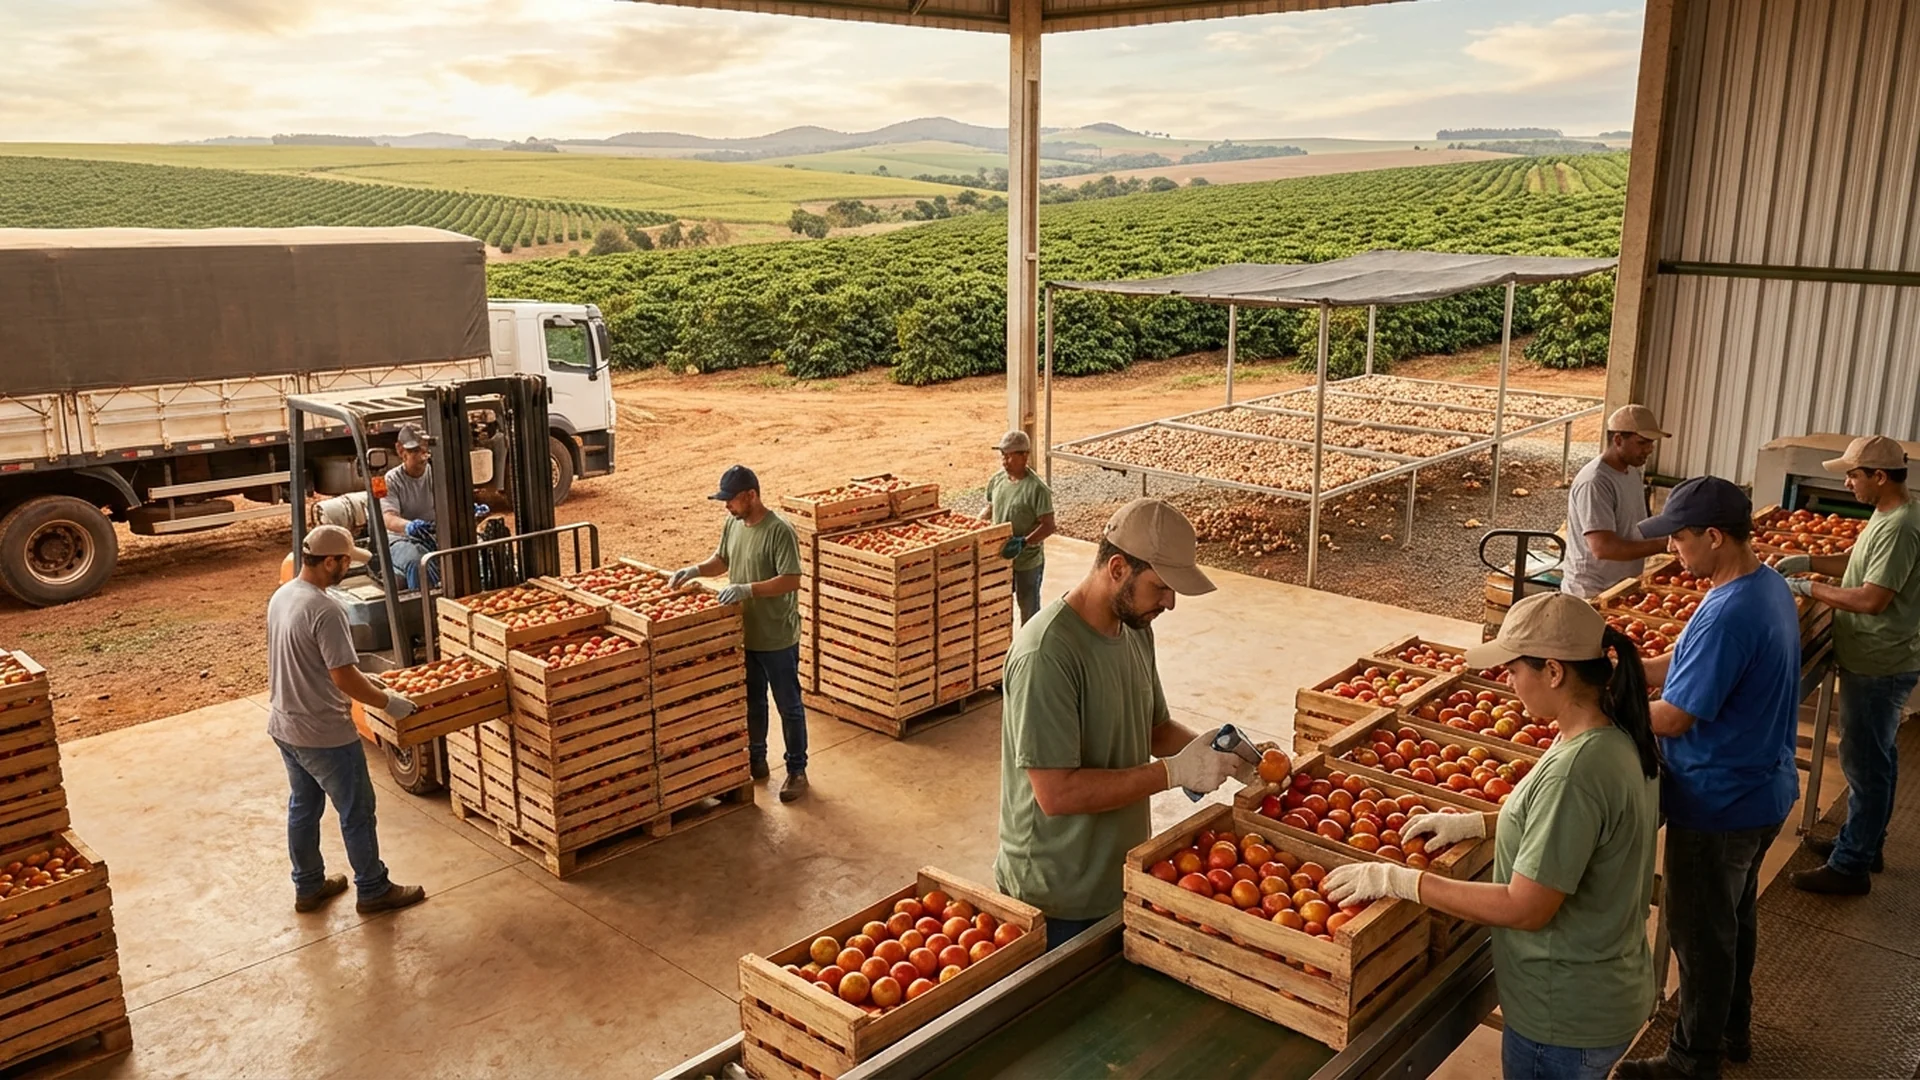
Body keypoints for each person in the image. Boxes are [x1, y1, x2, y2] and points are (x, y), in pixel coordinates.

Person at [1323, 592, 1660, 1080]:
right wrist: (1479, 823)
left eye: (1514, 668)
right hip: (1602, 987)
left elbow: (1525, 907)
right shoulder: (1616, 733)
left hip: (1562, 1017)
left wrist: (1403, 881)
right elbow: (1579, 830)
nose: (1507, 680)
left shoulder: (1577, 771)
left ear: (1553, 671)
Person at [995, 497, 1254, 949]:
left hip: (1121, 875)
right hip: (1058, 895)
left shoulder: (1134, 629)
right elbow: (1056, 793)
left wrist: (1219, 756)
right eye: (1160, 587)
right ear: (1117, 568)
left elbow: (1154, 728)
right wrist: (1172, 774)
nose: (1170, 603)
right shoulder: (1047, 654)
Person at [1615, 477, 1801, 1080]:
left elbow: (1676, 715)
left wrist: (1602, 707)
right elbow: (1692, 663)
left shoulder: (1731, 612)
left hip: (1720, 800)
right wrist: (1631, 669)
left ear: (1714, 536)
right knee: (1734, 920)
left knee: (1700, 935)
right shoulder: (1761, 584)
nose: (1672, 550)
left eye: (1679, 538)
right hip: (1762, 788)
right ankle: (1732, 1029)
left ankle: (1693, 1060)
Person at [1781, 436, 1920, 895]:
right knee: (1877, 757)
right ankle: (1864, 842)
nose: (1846, 482)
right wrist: (1809, 561)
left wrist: (1808, 588)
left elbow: (1873, 598)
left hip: (1880, 661)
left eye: (1852, 475)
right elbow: (1856, 565)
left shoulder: (1901, 526)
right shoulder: (1887, 515)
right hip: (1875, 656)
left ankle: (1852, 866)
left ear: (1879, 477)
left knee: (1865, 762)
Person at [267, 525, 427, 916]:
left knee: (303, 807)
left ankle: (308, 886)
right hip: (324, 732)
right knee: (357, 811)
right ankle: (373, 889)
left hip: (285, 724)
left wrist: (363, 677)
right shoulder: (326, 608)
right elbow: (342, 676)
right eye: (344, 561)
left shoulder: (284, 595)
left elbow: (313, 660)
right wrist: (388, 701)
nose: (347, 569)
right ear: (328, 561)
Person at [670, 465, 810, 802]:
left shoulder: (780, 531)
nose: (726, 506)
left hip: (776, 636)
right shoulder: (733, 524)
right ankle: (756, 760)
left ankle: (797, 770)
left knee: (788, 705)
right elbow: (722, 560)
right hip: (744, 635)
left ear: (751, 495)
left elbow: (791, 579)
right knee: (752, 701)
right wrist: (696, 570)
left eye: (730, 500)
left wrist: (748, 589)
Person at [1560, 404, 1672, 598]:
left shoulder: (1632, 472)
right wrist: (1667, 544)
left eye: (1651, 443)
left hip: (1621, 587)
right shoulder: (1595, 482)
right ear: (1618, 440)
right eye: (1642, 442)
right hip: (1592, 593)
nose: (1650, 449)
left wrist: (1682, 530)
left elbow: (1637, 525)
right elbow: (1604, 548)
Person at [984, 430, 1057, 625]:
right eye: (1003, 456)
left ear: (1024, 456)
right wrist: (976, 525)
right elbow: (991, 507)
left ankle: (1030, 647)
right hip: (1001, 557)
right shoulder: (997, 480)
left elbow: (1048, 526)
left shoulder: (1037, 489)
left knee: (1029, 609)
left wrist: (1024, 542)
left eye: (1009, 456)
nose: (1005, 461)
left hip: (1027, 562)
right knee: (998, 607)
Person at [380, 424, 437, 590]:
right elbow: (388, 518)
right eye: (414, 452)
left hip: (431, 534)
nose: (422, 457)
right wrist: (409, 526)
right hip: (400, 539)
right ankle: (423, 609)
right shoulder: (390, 480)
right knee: (418, 562)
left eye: (424, 450)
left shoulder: (437, 473)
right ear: (400, 450)